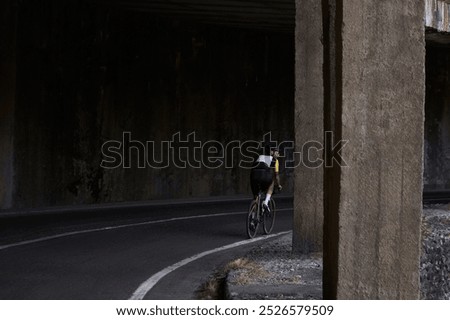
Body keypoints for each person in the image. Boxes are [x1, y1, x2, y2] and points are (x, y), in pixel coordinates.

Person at [250, 144, 282, 212]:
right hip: (264, 176)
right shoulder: (274, 160)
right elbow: (276, 175)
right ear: (272, 152)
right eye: (278, 152)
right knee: (271, 183)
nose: (279, 154)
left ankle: (252, 217)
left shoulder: (259, 157)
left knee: (256, 197)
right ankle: (266, 202)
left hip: (253, 177)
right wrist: (279, 185)